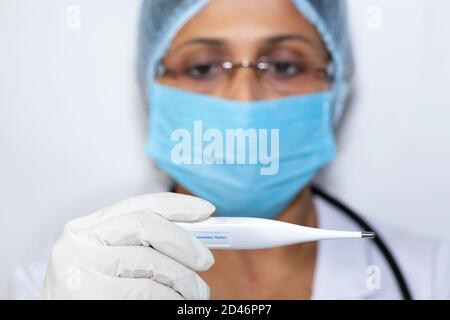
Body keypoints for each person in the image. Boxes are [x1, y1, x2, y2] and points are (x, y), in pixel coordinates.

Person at [8, 0, 450, 299]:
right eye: (203, 67)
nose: (244, 100)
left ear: (334, 86)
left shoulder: (433, 277)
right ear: (151, 86)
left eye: (283, 65)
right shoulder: (62, 282)